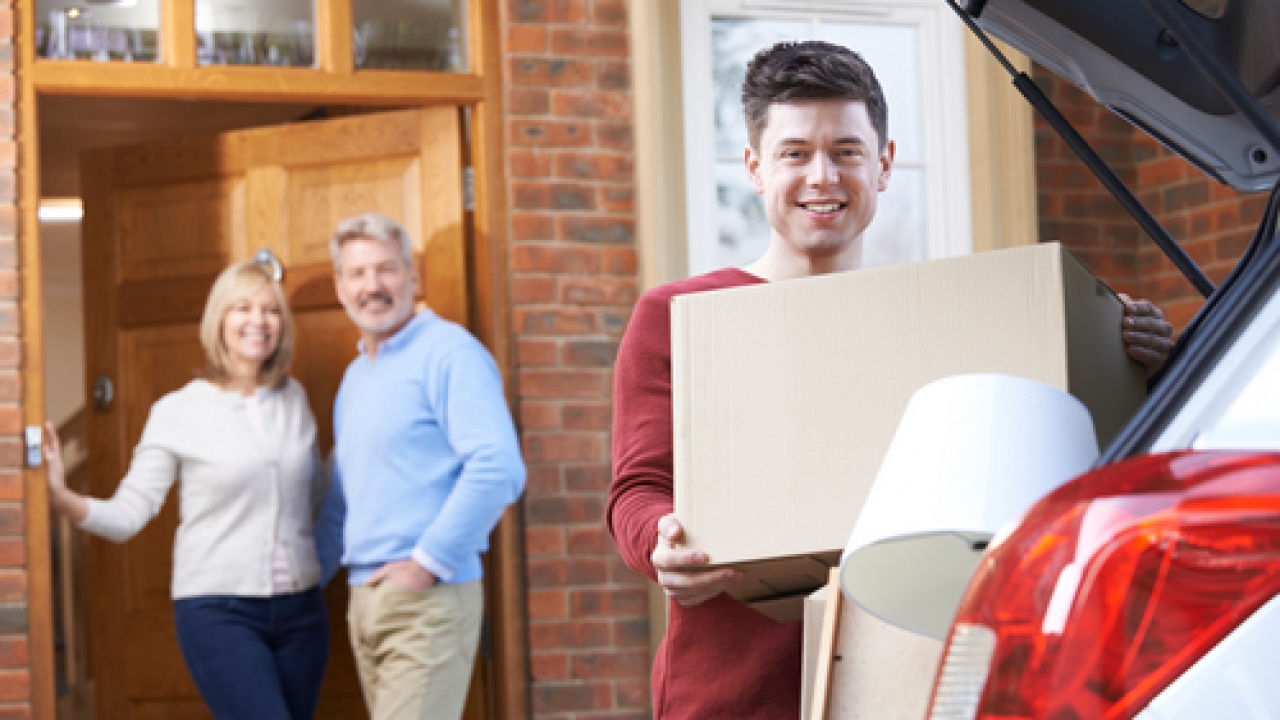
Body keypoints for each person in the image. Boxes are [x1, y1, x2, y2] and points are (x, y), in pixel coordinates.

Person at [608, 41, 1175, 719]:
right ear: (756, 168)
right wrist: (662, 541)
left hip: (910, 681)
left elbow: (1062, 458)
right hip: (738, 691)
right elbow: (637, 490)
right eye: (795, 153)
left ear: (883, 163)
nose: (822, 176)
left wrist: (1142, 372)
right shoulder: (676, 317)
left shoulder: (947, 322)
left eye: (847, 151)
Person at [44, 260, 331, 720]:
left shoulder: (293, 397)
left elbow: (312, 496)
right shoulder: (178, 410)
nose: (258, 321)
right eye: (243, 308)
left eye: (271, 310)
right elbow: (130, 512)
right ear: (219, 319)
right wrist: (64, 499)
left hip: (303, 613)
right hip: (220, 612)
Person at [315, 212, 526, 720]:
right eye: (358, 274)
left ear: (413, 276)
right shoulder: (355, 377)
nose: (373, 286)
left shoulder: (449, 353)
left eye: (385, 269)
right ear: (340, 287)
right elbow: (344, 498)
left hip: (428, 599)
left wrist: (425, 563)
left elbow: (498, 468)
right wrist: (304, 584)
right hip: (364, 601)